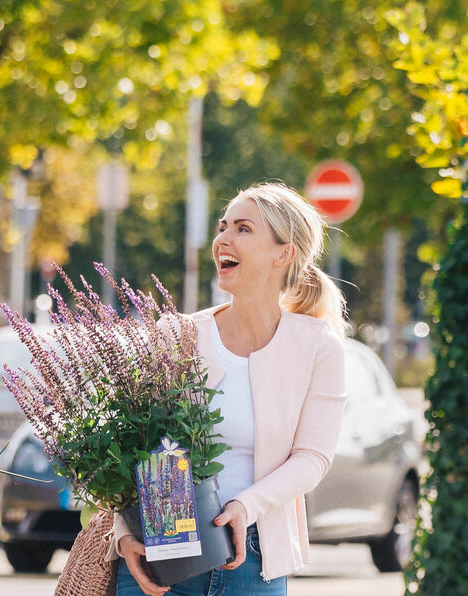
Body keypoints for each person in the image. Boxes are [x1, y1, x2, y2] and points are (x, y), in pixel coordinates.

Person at [110, 182, 349, 595]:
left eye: (242, 228)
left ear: (283, 253)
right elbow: (133, 444)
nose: (223, 239)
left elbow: (312, 457)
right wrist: (122, 535)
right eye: (223, 227)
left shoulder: (317, 346)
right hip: (161, 554)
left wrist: (245, 506)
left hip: (254, 560)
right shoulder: (178, 335)